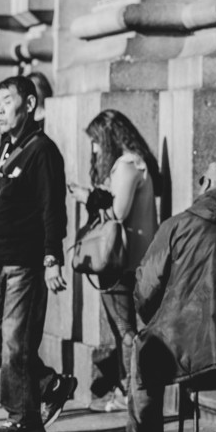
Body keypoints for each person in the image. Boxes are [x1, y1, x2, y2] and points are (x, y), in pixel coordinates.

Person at [0, 75, 73, 432]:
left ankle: (23, 416)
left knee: (16, 341)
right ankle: (47, 384)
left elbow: (52, 209)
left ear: (28, 105)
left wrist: (51, 259)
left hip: (23, 263)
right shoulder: (6, 147)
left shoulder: (42, 151)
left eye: (7, 102)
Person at [119, 161, 216, 432]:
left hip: (186, 349)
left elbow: (146, 287)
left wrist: (152, 320)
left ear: (205, 184)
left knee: (146, 346)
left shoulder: (177, 226)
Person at [68, 110, 160, 413]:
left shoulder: (127, 164)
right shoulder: (134, 163)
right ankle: (128, 389)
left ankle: (132, 393)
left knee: (125, 329)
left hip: (121, 259)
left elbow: (118, 212)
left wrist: (87, 196)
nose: (94, 149)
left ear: (108, 138)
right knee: (124, 327)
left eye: (96, 141)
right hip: (129, 258)